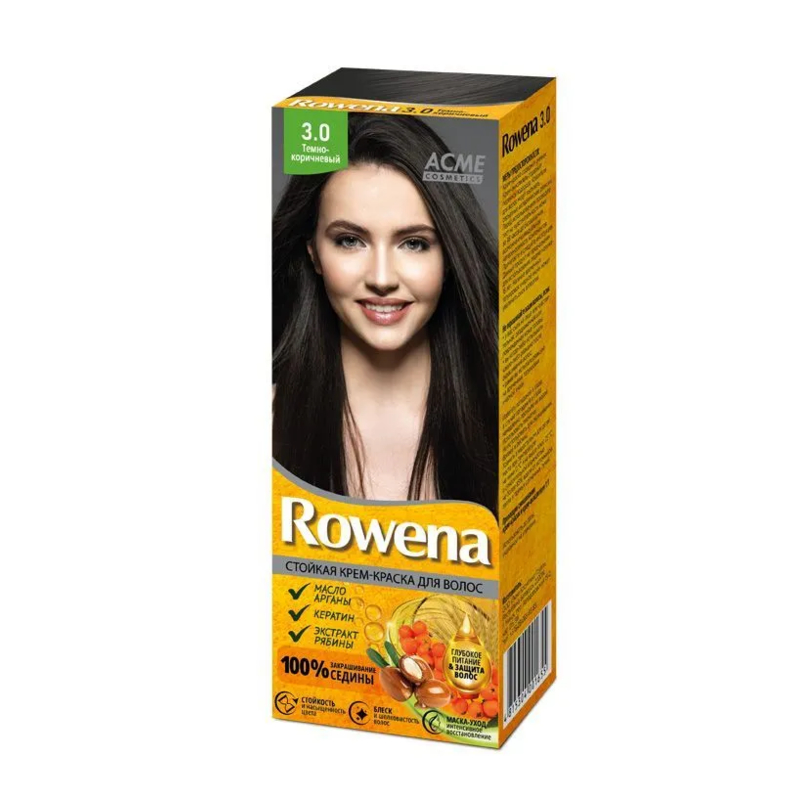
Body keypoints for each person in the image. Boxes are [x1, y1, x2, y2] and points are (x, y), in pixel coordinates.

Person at [273, 113, 498, 514]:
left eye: (413, 244)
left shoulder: (512, 422)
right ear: (314, 254)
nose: (381, 279)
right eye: (349, 240)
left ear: (450, 256)